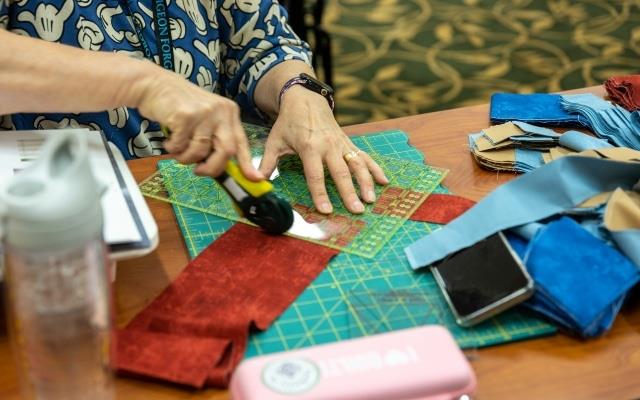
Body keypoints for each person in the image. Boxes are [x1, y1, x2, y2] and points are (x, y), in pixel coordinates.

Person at [0, 0, 388, 214]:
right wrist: (140, 81)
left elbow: (261, 41)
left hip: (197, 186)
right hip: (58, 213)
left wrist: (300, 91)